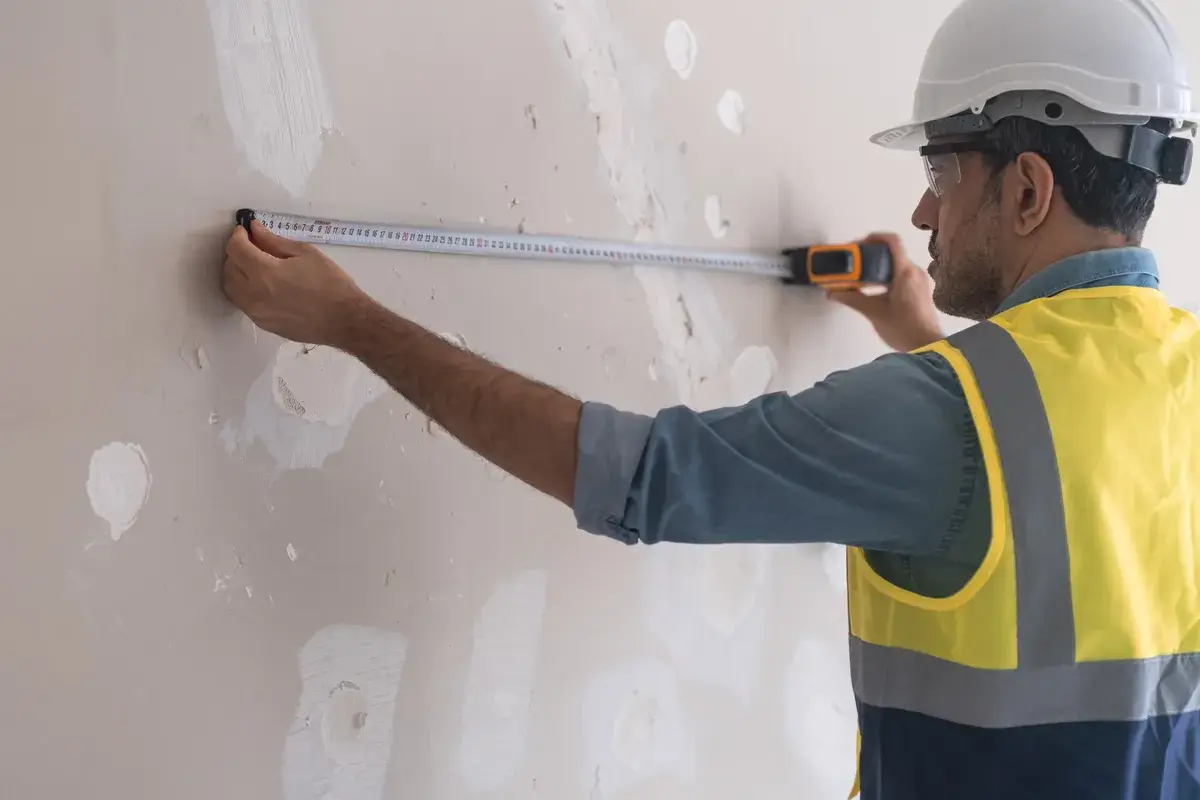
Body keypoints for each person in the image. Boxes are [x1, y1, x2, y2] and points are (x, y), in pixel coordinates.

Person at [220, 0, 1200, 796]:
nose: (921, 209)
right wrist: (914, 332)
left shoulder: (945, 419)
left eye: (943, 170)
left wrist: (350, 323)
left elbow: (637, 475)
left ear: (1027, 190)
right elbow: (1047, 472)